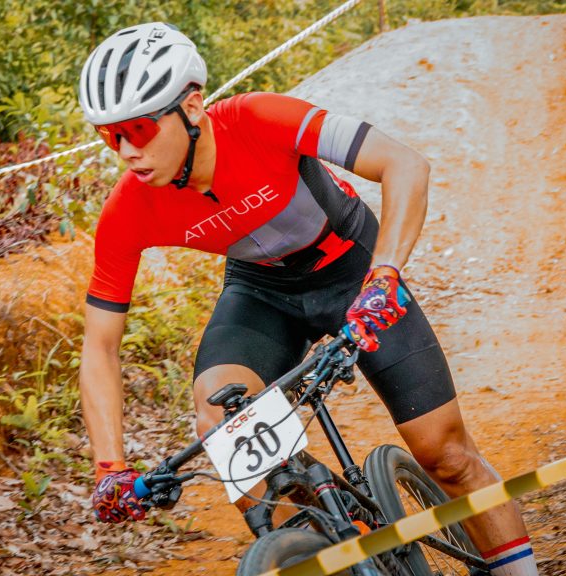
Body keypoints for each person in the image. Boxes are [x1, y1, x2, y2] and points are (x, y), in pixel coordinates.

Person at [77, 22, 538, 576]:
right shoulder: (129, 209)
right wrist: (111, 468)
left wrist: (384, 277)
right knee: (220, 415)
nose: (126, 150)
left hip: (353, 269)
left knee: (445, 454)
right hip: (262, 290)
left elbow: (405, 164)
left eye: (137, 128)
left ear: (193, 107)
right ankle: (342, 528)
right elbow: (100, 347)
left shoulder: (257, 119)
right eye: (110, 136)